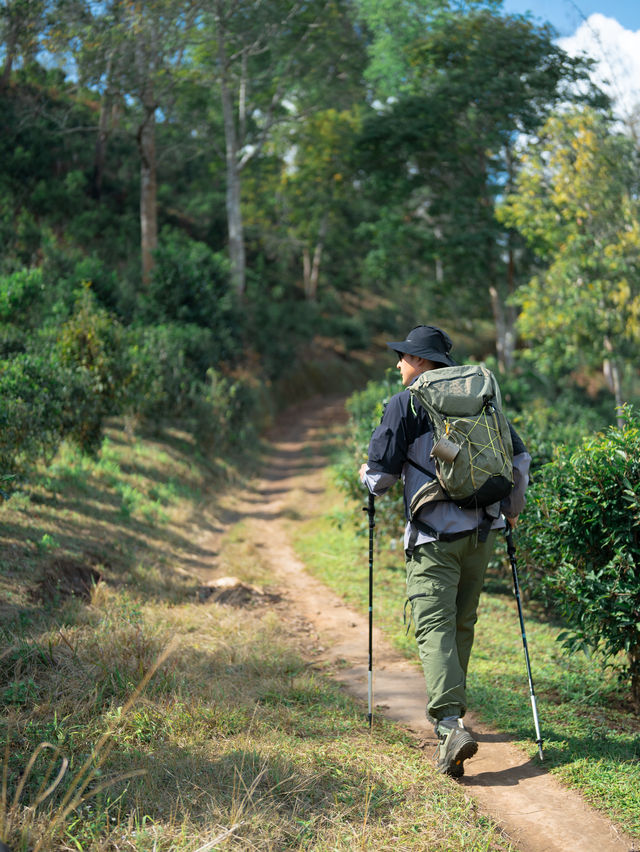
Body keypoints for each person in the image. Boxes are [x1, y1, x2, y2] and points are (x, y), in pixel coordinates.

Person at [359, 324, 530, 778]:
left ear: (420, 362)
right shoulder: (480, 397)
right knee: (461, 624)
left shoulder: (407, 403)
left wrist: (364, 473)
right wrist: (511, 509)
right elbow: (518, 456)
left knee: (433, 626)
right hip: (482, 531)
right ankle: (452, 713)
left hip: (433, 537)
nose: (398, 364)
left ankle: (450, 724)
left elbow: (381, 479)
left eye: (403, 357)